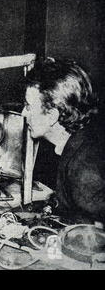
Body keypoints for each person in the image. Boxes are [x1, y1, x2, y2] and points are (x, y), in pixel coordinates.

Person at [22, 58, 105, 223]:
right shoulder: (81, 140)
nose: (23, 113)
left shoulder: (83, 171)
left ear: (52, 116)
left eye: (29, 107)